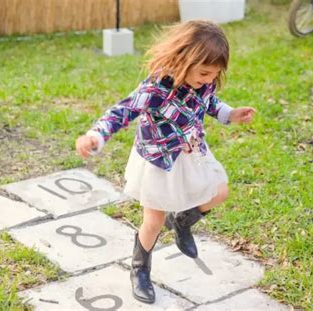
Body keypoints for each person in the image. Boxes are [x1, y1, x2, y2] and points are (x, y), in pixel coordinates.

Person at [75, 20, 256, 304]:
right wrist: (95, 136)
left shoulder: (203, 85)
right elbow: (122, 111)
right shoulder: (157, 88)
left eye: (214, 75)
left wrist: (231, 114)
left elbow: (210, 102)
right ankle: (140, 270)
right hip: (159, 161)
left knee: (220, 191)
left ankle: (182, 221)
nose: (209, 80)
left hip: (192, 154)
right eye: (204, 73)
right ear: (184, 59)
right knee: (153, 221)